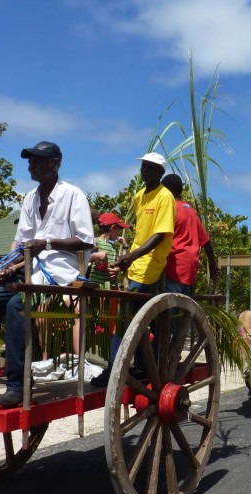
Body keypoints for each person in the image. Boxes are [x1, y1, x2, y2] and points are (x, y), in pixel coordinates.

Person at [0, 141, 95, 407]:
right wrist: (9, 263)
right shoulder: (30, 198)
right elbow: (23, 242)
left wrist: (48, 243)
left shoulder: (73, 195)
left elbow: (86, 241)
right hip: (29, 271)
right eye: (30, 161)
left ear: (55, 164)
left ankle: (18, 384)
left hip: (60, 274)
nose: (32, 165)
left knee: (17, 308)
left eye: (38, 161)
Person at [90, 152, 175, 387]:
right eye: (143, 167)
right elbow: (141, 233)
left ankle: (115, 370)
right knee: (136, 318)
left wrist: (132, 255)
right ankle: (140, 367)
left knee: (126, 317)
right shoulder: (139, 196)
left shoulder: (164, 197)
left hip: (151, 263)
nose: (144, 171)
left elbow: (160, 234)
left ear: (160, 172)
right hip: (136, 262)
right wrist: (126, 258)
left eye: (149, 168)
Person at [160, 173, 219, 294]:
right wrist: (212, 267)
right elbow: (206, 242)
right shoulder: (190, 210)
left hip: (174, 267)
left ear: (166, 191)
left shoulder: (171, 208)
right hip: (190, 268)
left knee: (169, 308)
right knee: (185, 306)